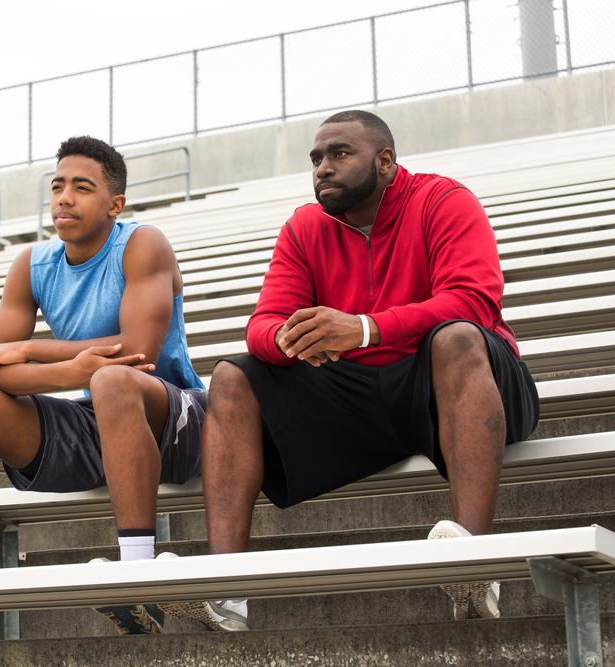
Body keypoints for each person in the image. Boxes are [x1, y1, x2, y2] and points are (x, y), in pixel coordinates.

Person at [167, 110, 539, 627]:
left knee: (455, 337)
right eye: (316, 158)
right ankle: (227, 592)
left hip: (457, 380)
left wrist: (364, 328)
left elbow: (474, 302)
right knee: (232, 376)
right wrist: (291, 339)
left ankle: (472, 562)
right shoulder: (304, 227)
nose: (322, 167)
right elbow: (262, 325)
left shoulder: (443, 200)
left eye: (340, 154)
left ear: (385, 161)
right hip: (358, 396)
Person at [0, 135, 208, 640]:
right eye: (58, 186)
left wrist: (34, 350)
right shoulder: (32, 265)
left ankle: (137, 574)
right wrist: (69, 372)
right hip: (99, 418)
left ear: (115, 204)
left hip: (174, 419)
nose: (64, 197)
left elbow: (138, 352)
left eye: (82, 188)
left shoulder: (142, 244)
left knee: (112, 379)